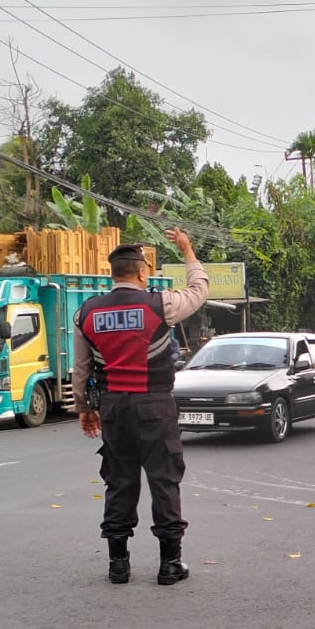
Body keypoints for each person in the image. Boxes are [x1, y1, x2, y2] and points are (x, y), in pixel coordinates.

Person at [74, 229, 209, 586]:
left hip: (113, 408)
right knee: (164, 481)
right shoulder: (160, 304)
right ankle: (170, 564)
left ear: (113, 274)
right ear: (142, 273)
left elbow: (82, 367)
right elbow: (199, 290)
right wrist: (187, 249)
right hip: (155, 406)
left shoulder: (86, 313)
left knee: (119, 482)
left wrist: (85, 408)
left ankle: (118, 565)